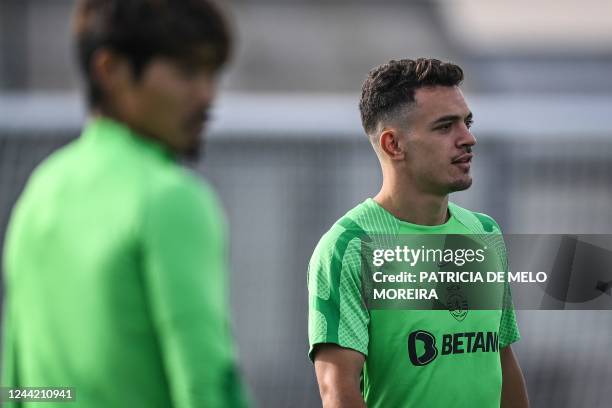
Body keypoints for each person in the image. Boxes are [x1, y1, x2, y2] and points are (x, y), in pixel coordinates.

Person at [2, 1, 248, 407]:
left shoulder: (40, 192)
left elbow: (15, 383)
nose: (207, 95)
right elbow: (205, 386)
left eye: (212, 74)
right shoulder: (169, 199)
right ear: (110, 70)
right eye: (188, 72)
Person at [307, 58, 529, 407]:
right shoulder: (349, 246)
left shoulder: (484, 233)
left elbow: (501, 359)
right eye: (445, 127)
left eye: (466, 123)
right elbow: (338, 390)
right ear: (394, 144)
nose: (468, 138)